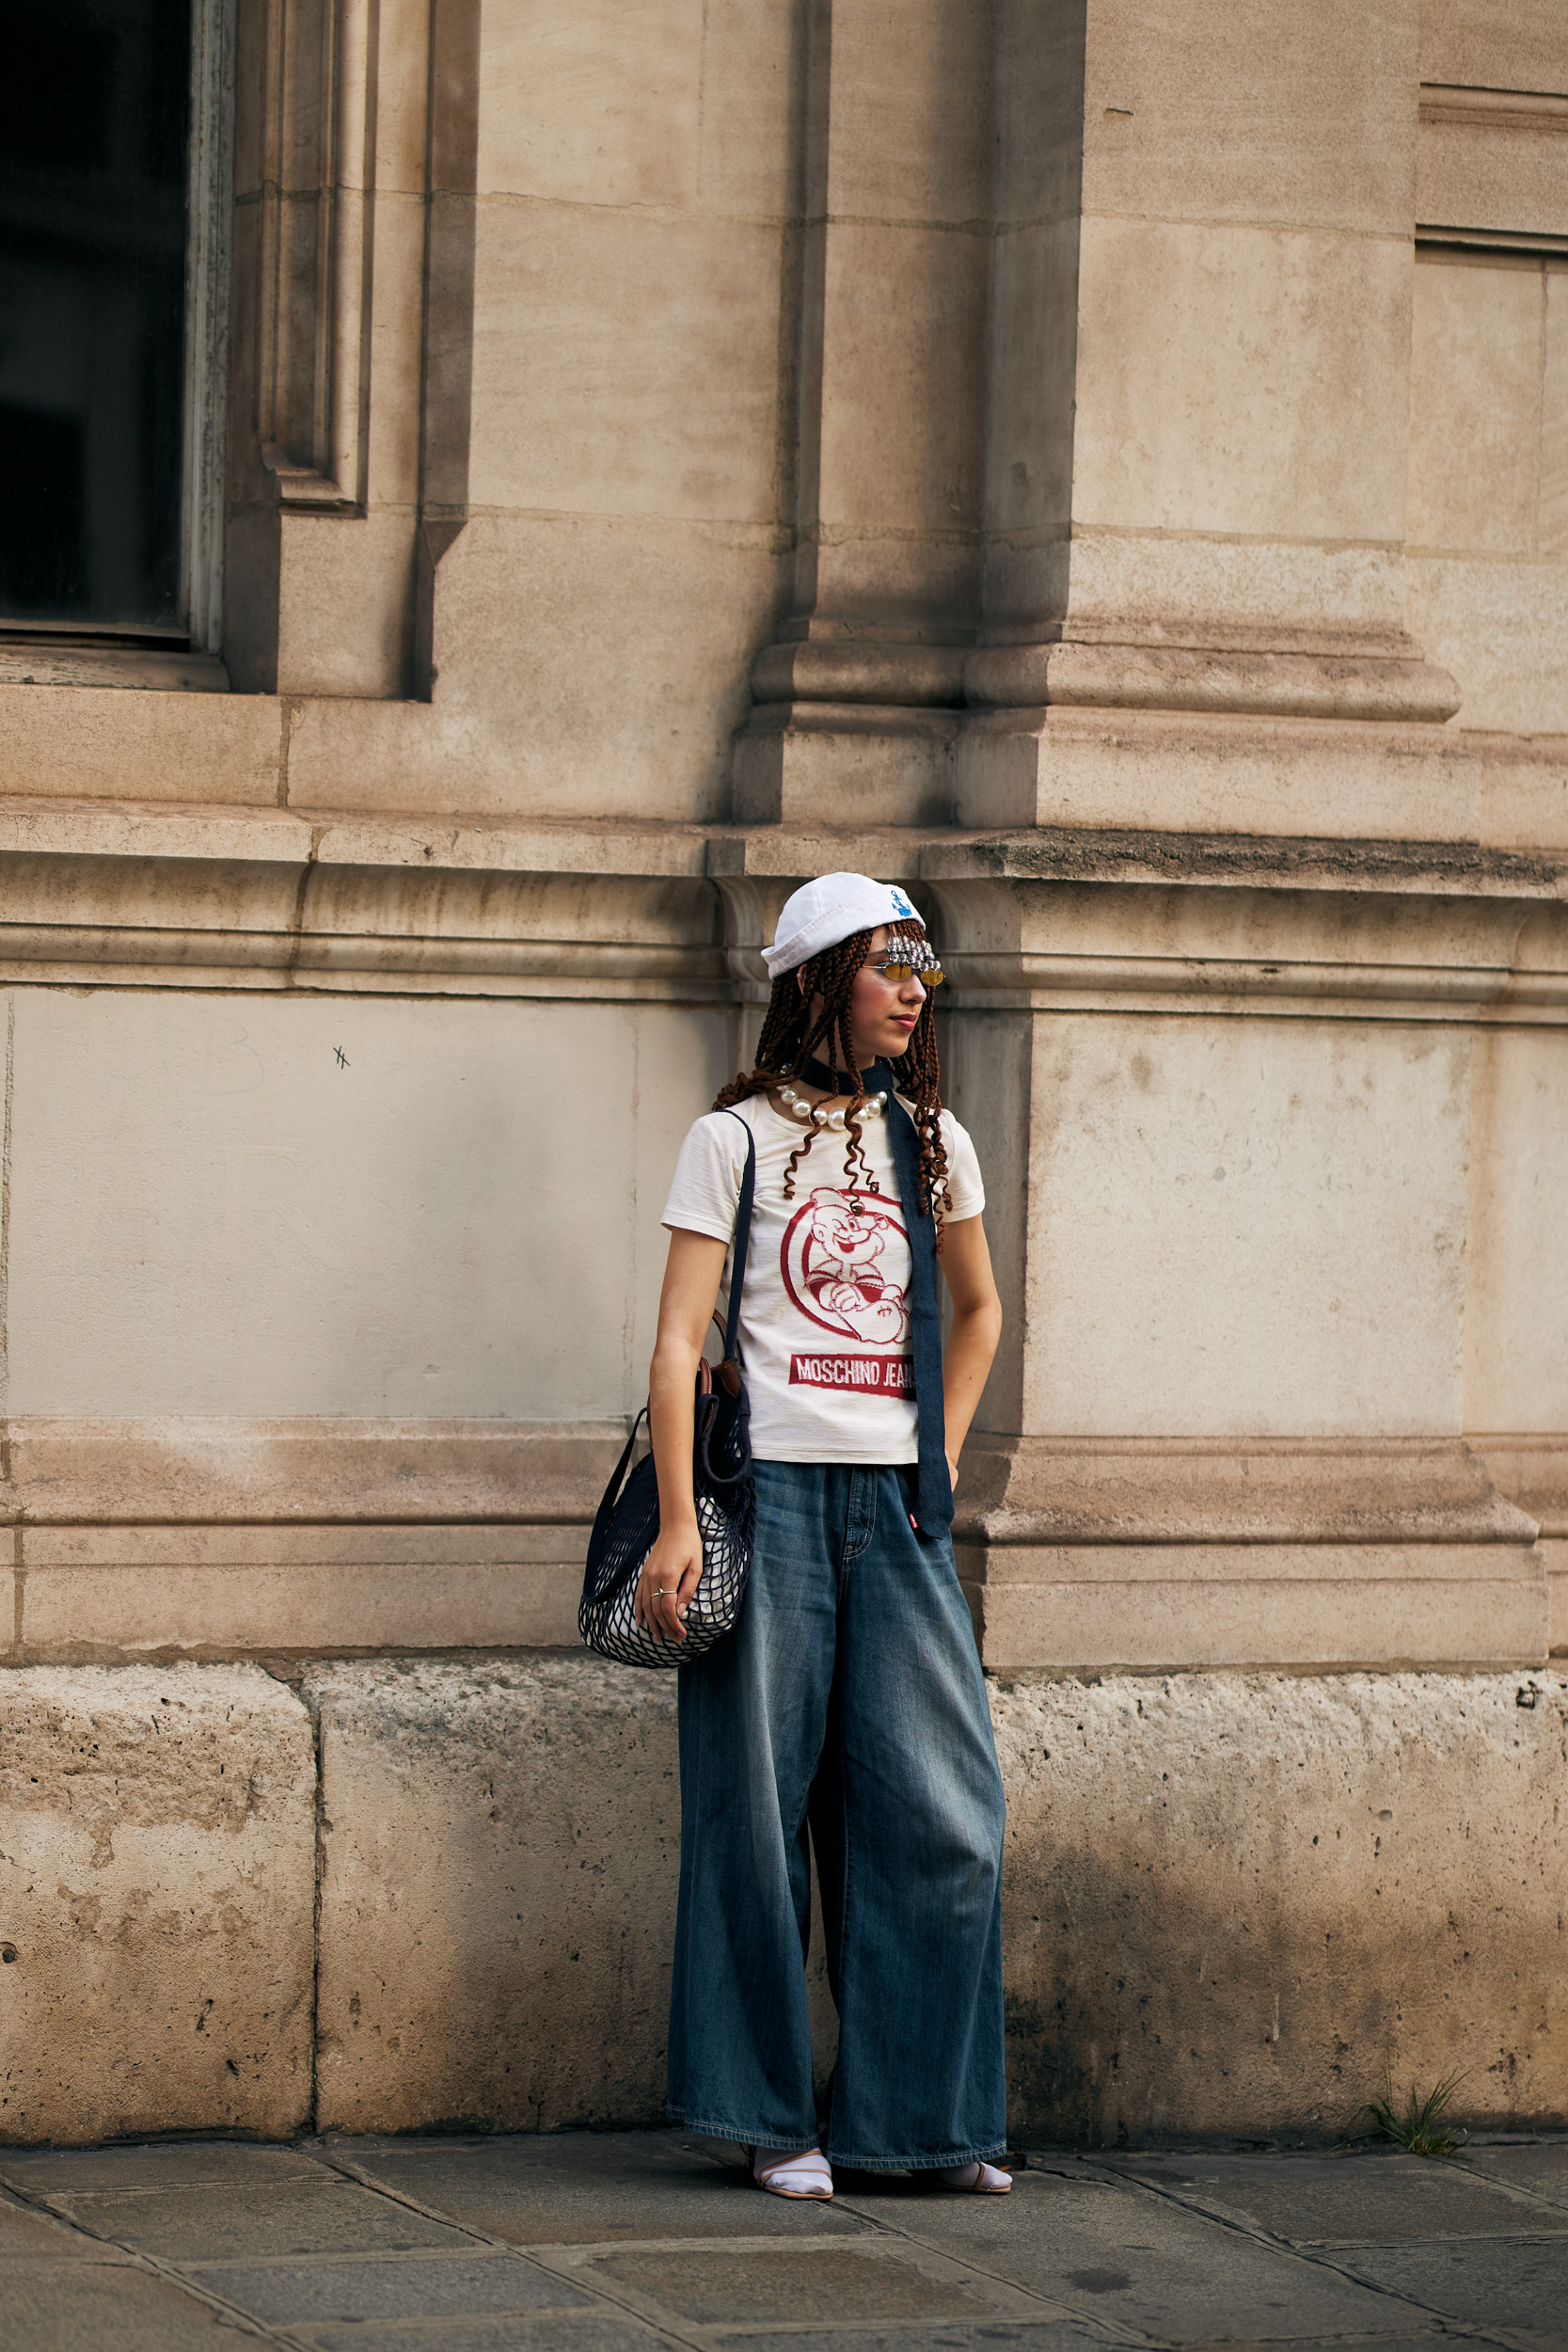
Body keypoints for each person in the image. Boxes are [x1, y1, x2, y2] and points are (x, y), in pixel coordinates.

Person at [637, 872, 1010, 2201]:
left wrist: (942, 1454)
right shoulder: (730, 1139)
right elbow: (682, 1341)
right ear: (818, 979)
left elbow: (977, 1315)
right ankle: (767, 2119)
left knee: (947, 1818)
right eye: (888, 963)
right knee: (753, 1813)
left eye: (925, 966)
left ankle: (919, 2122)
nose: (915, 988)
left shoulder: (934, 1140)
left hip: (898, 1507)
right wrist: (680, 1521)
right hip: (767, 1500)